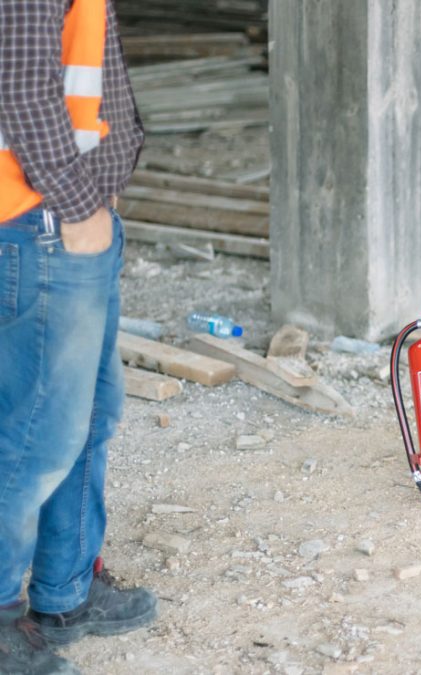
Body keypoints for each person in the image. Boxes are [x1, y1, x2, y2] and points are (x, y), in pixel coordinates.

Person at [0, 0, 158, 672]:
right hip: (40, 217)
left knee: (90, 413)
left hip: (72, 215)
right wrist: (77, 201)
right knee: (37, 434)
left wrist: (107, 179)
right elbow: (20, 83)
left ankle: (63, 591)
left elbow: (85, 70)